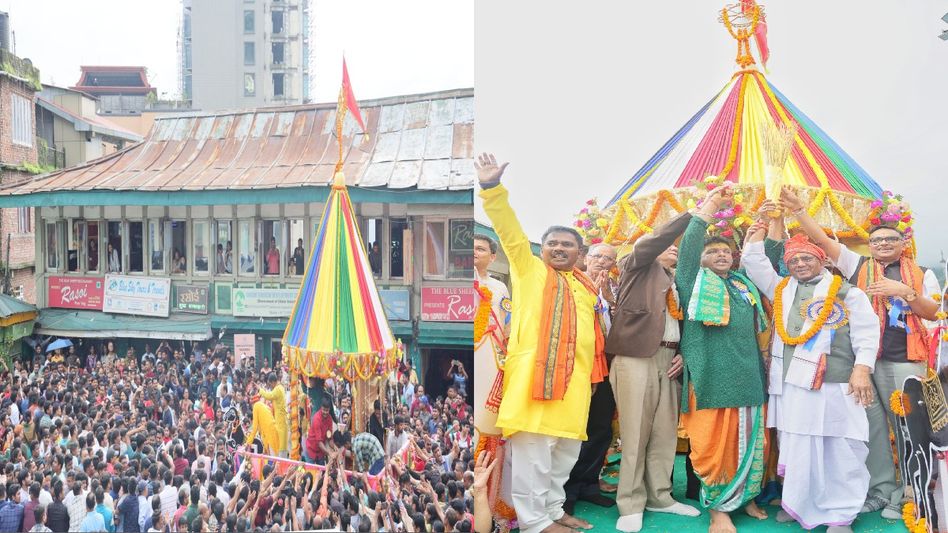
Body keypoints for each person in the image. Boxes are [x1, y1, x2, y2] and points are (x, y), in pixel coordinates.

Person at [778, 187, 940, 518]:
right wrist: (798, 212)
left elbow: (932, 313)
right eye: (877, 240)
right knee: (873, 427)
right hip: (865, 364)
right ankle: (882, 489)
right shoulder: (859, 266)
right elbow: (823, 242)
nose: (882, 244)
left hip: (905, 361)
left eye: (889, 240)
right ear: (870, 244)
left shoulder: (924, 274)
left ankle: (911, 490)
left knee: (908, 426)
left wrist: (905, 292)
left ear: (902, 244)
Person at [477, 152, 607, 533]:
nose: (560, 249)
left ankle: (553, 512)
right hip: (533, 387)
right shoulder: (529, 269)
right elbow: (509, 230)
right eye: (553, 243)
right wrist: (491, 187)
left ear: (580, 254)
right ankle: (534, 523)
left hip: (574, 390)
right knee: (533, 458)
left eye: (568, 244)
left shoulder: (585, 286)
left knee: (562, 458)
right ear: (542, 249)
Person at [742, 216, 880, 532]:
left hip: (836, 384)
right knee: (796, 444)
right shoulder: (782, 289)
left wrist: (862, 369)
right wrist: (756, 234)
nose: (801, 264)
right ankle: (798, 501)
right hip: (793, 385)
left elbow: (867, 334)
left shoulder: (848, 293)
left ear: (822, 260)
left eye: (807, 258)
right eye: (794, 260)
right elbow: (755, 263)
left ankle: (841, 513)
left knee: (840, 447)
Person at [675, 183, 769, 533]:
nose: (720, 255)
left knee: (751, 442)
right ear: (700, 259)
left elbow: (767, 256)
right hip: (711, 377)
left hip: (749, 377)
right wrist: (712, 203)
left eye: (726, 252)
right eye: (712, 252)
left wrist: (766, 222)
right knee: (712, 446)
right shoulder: (692, 281)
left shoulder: (744, 285)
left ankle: (746, 498)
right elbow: (688, 246)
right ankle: (718, 509)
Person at [603, 211, 701, 532]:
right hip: (636, 358)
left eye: (677, 245)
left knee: (663, 433)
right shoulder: (636, 266)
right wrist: (693, 216)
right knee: (635, 433)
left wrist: (684, 354)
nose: (673, 247)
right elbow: (653, 243)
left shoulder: (678, 280)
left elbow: (686, 322)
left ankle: (660, 496)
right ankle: (630, 503)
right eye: (668, 244)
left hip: (670, 358)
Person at [562, 243, 621, 516]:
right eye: (598, 256)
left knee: (600, 430)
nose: (603, 262)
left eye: (609, 259)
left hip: (606, 367)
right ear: (585, 258)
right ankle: (566, 490)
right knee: (575, 430)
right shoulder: (569, 282)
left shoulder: (614, 288)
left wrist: (608, 296)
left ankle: (589, 485)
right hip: (577, 368)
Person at [258, 371, 288, 456]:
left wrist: (260, 390)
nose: (270, 386)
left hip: (281, 422)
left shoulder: (278, 389)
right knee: (280, 446)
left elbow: (269, 396)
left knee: (281, 448)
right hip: (280, 420)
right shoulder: (280, 387)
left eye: (270, 384)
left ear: (273, 382)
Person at [305, 396, 335, 465]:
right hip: (311, 449)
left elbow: (329, 437)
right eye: (323, 409)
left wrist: (334, 447)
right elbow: (319, 442)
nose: (325, 412)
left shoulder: (330, 419)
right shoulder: (316, 419)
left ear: (329, 409)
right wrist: (330, 453)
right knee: (311, 472)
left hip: (321, 452)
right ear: (321, 407)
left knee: (322, 472)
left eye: (327, 410)